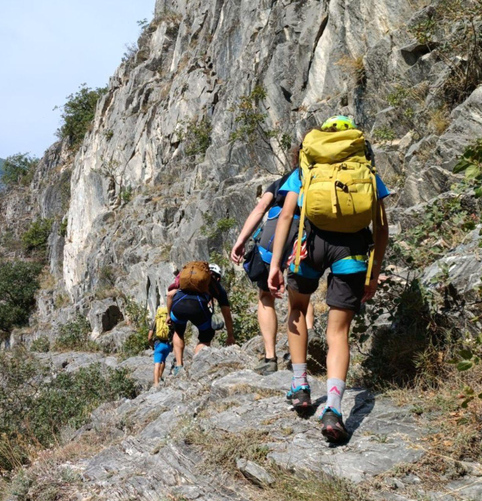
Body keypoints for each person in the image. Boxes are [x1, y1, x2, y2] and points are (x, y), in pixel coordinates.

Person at [267, 115, 390, 443]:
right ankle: (334, 407)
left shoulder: (306, 168)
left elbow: (286, 218)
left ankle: (300, 385)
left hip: (309, 246)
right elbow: (381, 227)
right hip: (352, 251)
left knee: (297, 309)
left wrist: (275, 264)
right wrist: (373, 272)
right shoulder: (365, 171)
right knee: (338, 332)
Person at [230, 164, 314, 375]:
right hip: (307, 238)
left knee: (265, 295)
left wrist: (241, 240)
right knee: (301, 296)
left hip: (275, 234)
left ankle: (270, 358)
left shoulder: (283, 181)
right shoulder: (321, 178)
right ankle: (309, 345)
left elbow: (260, 210)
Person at [166, 263, 235, 375]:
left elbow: (170, 295)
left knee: (178, 332)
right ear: (217, 277)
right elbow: (226, 314)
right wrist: (230, 335)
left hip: (178, 306)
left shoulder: (186, 281)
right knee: (206, 336)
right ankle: (196, 364)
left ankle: (179, 365)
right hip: (197, 308)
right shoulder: (217, 287)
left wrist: (168, 315)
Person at [148, 306, 173, 387]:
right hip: (167, 345)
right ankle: (160, 376)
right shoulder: (169, 320)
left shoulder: (156, 321)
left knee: (157, 363)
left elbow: (149, 337)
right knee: (163, 360)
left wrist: (151, 344)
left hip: (158, 344)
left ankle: (156, 383)